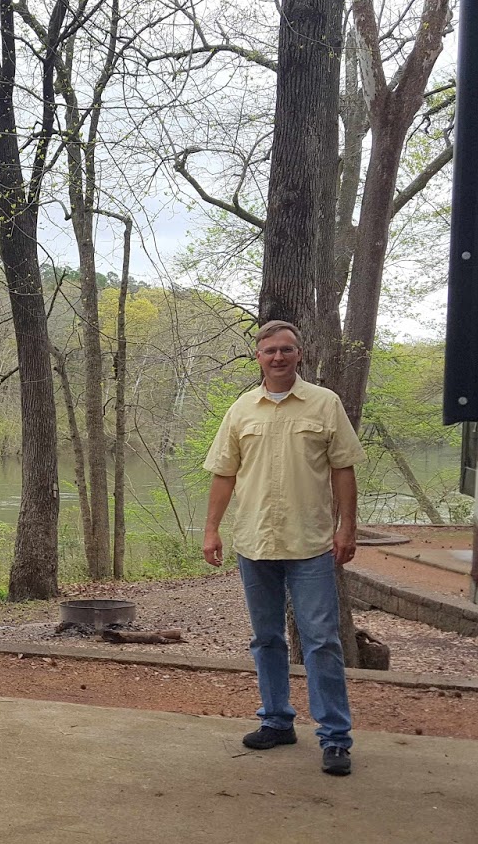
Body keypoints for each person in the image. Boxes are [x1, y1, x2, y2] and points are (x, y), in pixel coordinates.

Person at [201, 320, 365, 776]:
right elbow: (224, 474)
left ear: (299, 354)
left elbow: (344, 470)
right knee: (266, 638)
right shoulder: (241, 411)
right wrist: (211, 530)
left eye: (286, 350)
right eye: (270, 350)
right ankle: (276, 721)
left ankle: (334, 738)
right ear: (258, 356)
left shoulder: (324, 404)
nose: (278, 357)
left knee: (321, 641)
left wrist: (346, 527)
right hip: (254, 542)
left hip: (310, 543)